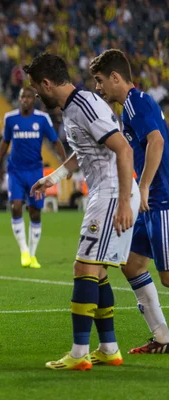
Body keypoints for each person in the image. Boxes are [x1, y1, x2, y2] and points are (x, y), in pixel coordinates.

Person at [27, 53, 139, 370]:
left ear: (47, 83)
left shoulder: (86, 104)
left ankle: (78, 354)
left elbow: (123, 148)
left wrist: (122, 203)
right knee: (98, 271)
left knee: (83, 268)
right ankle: (108, 349)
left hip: (112, 193)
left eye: (37, 89)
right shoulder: (74, 107)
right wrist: (53, 177)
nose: (37, 95)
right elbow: (84, 152)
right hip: (106, 192)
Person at [89, 49, 169, 354]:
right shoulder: (130, 107)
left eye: (99, 81)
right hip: (151, 202)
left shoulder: (136, 102)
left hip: (162, 200)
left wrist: (145, 186)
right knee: (132, 264)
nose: (98, 88)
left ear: (115, 77)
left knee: (167, 277)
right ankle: (162, 336)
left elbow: (157, 141)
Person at [0, 87, 68, 268]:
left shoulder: (42, 119)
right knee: (15, 206)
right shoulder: (10, 118)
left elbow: (55, 141)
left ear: (33, 100)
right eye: (22, 97)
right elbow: (5, 142)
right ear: (19, 100)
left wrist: (65, 163)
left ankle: (33, 255)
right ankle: (24, 251)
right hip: (15, 171)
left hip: (35, 172)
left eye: (28, 97)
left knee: (35, 212)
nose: (25, 100)